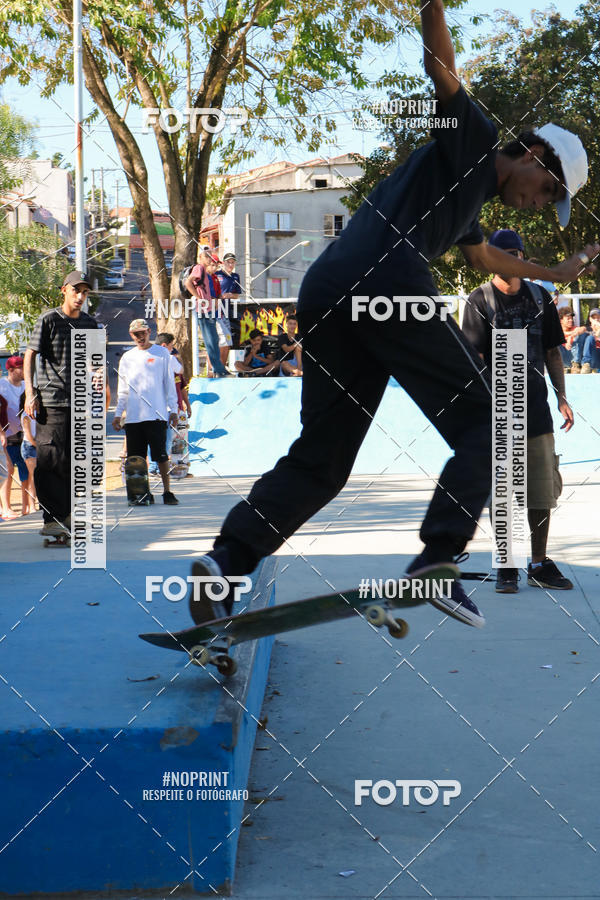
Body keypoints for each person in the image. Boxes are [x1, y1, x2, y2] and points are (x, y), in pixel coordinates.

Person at [186, 0, 595, 628]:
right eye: (547, 190)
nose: (539, 204)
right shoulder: (475, 139)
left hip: (328, 291)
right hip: (388, 285)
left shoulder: (464, 196)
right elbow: (441, 66)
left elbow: (484, 255)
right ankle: (438, 559)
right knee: (488, 424)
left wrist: (556, 274)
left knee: (324, 460)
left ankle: (225, 562)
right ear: (534, 155)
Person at [462, 228, 574, 593]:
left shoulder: (540, 297)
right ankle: (506, 565)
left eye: (517, 253)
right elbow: (474, 360)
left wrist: (561, 396)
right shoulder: (479, 300)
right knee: (503, 493)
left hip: (537, 412)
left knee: (541, 492)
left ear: (523, 257)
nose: (513, 259)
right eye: (504, 253)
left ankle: (538, 564)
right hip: (498, 414)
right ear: (491, 260)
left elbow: (553, 352)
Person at [23, 272, 104, 536]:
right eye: (75, 291)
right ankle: (51, 518)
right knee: (50, 459)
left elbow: (95, 361)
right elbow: (30, 355)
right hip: (51, 401)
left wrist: (99, 375)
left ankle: (67, 514)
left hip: (80, 402)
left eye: (85, 292)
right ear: (64, 290)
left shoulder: (90, 323)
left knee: (74, 461)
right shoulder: (48, 319)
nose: (80, 296)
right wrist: (30, 392)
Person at [112, 318, 179, 505]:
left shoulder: (161, 353)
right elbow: (123, 390)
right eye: (136, 334)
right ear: (131, 335)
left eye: (143, 333)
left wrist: (173, 409)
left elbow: (169, 383)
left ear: (149, 332)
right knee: (136, 459)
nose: (140, 337)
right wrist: (118, 414)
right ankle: (142, 493)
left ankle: (167, 491)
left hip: (156, 414)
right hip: (134, 417)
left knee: (161, 456)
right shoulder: (127, 358)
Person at [185, 251, 231, 377]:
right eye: (206, 256)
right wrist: (199, 298)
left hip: (209, 310)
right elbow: (188, 283)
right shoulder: (199, 268)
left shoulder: (207, 274)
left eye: (210, 256)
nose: (209, 259)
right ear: (200, 257)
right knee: (211, 340)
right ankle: (218, 370)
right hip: (203, 310)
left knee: (214, 339)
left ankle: (218, 369)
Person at [0, 356, 29, 518]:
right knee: (7, 469)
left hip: (22, 434)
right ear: (11, 370)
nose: (24, 370)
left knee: (26, 469)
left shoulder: (26, 385)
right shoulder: (2, 385)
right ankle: (6, 507)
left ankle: (27, 506)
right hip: (5, 435)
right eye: (20, 367)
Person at [19, 389, 37, 514]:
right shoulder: (25, 415)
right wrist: (37, 445)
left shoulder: (37, 413)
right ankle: (31, 505)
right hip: (29, 446)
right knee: (33, 476)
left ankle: (35, 504)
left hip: (36, 445)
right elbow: (29, 435)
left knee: (36, 476)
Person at [557, 307, 588, 372]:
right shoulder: (556, 331)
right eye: (568, 319)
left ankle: (575, 365)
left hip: (574, 358)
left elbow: (583, 329)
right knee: (553, 341)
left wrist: (570, 337)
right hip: (562, 358)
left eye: (571, 318)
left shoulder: (575, 328)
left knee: (582, 334)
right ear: (561, 320)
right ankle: (562, 367)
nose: (571, 320)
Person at [580, 308, 600, 373]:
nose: (596, 320)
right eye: (594, 318)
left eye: (598, 317)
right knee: (589, 338)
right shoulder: (586, 330)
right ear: (590, 319)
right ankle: (586, 364)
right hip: (592, 358)